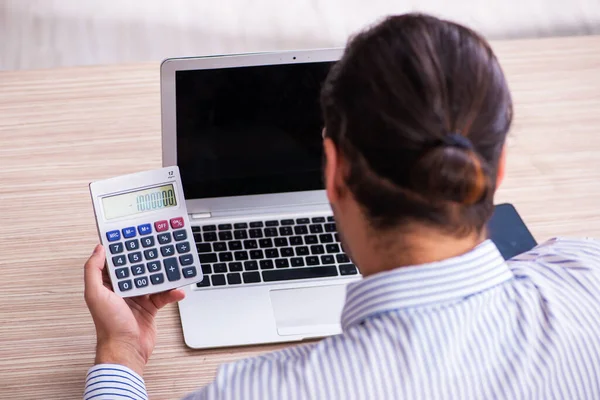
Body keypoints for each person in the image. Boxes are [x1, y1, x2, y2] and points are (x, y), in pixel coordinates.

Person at [83, 13, 600, 400]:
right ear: (499, 169)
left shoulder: (257, 390)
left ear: (333, 169)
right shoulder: (587, 275)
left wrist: (121, 350)